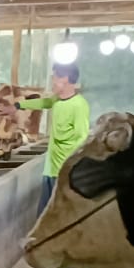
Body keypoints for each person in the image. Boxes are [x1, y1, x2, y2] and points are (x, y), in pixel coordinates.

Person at [18, 62, 91, 212]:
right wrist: (19, 105)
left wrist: (74, 168)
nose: (52, 81)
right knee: (45, 214)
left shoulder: (79, 105)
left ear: (64, 80)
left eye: (54, 78)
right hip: (51, 169)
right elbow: (45, 102)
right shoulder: (57, 100)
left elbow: (82, 136)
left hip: (65, 171)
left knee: (60, 214)